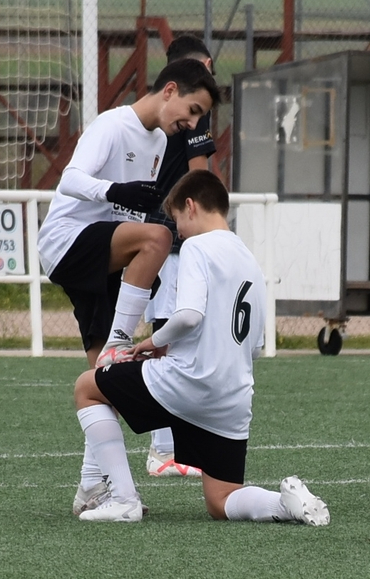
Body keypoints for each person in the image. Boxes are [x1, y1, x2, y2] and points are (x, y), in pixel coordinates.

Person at [72, 170, 330, 524]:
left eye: (176, 218)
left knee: (88, 387)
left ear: (190, 207)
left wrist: (154, 341)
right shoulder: (251, 262)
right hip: (233, 399)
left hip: (191, 382)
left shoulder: (197, 246)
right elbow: (254, 346)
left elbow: (190, 315)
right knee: (220, 500)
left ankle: (123, 500)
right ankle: (285, 505)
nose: (177, 231)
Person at [36, 58, 221, 515]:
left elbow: (128, 217)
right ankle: (121, 339)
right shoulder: (112, 124)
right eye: (193, 110)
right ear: (170, 89)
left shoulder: (159, 140)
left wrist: (138, 223)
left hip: (101, 256)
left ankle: (91, 490)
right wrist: (116, 193)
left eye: (199, 117)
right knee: (159, 237)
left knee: (103, 382)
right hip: (65, 242)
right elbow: (71, 180)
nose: (192, 123)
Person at [144, 35, 220, 479]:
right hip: (176, 236)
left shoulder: (152, 104)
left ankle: (170, 446)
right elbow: (200, 178)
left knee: (168, 334)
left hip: (151, 231)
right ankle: (163, 449)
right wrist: (211, 230)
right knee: (171, 337)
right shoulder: (197, 106)